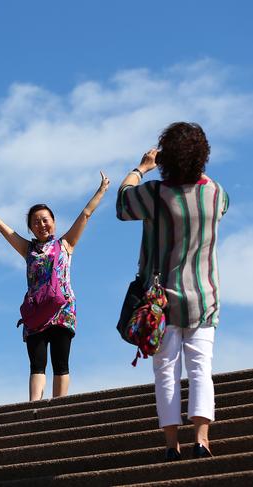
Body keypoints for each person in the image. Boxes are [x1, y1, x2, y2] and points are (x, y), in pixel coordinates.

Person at [116, 122, 229, 461]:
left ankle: (170, 446)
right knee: (200, 368)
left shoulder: (153, 194)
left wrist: (140, 168)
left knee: (166, 370)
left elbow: (122, 204)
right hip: (203, 296)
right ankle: (201, 440)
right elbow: (221, 207)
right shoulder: (216, 193)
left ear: (166, 157)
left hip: (159, 301)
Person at [0, 172, 110, 401]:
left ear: (53, 222)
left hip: (62, 311)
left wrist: (102, 190)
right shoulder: (28, 250)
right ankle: (33, 408)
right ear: (31, 228)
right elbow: (5, 230)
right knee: (37, 363)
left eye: (45, 219)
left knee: (60, 361)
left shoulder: (65, 244)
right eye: (36, 222)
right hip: (35, 313)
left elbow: (85, 214)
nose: (41, 224)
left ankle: (59, 407)